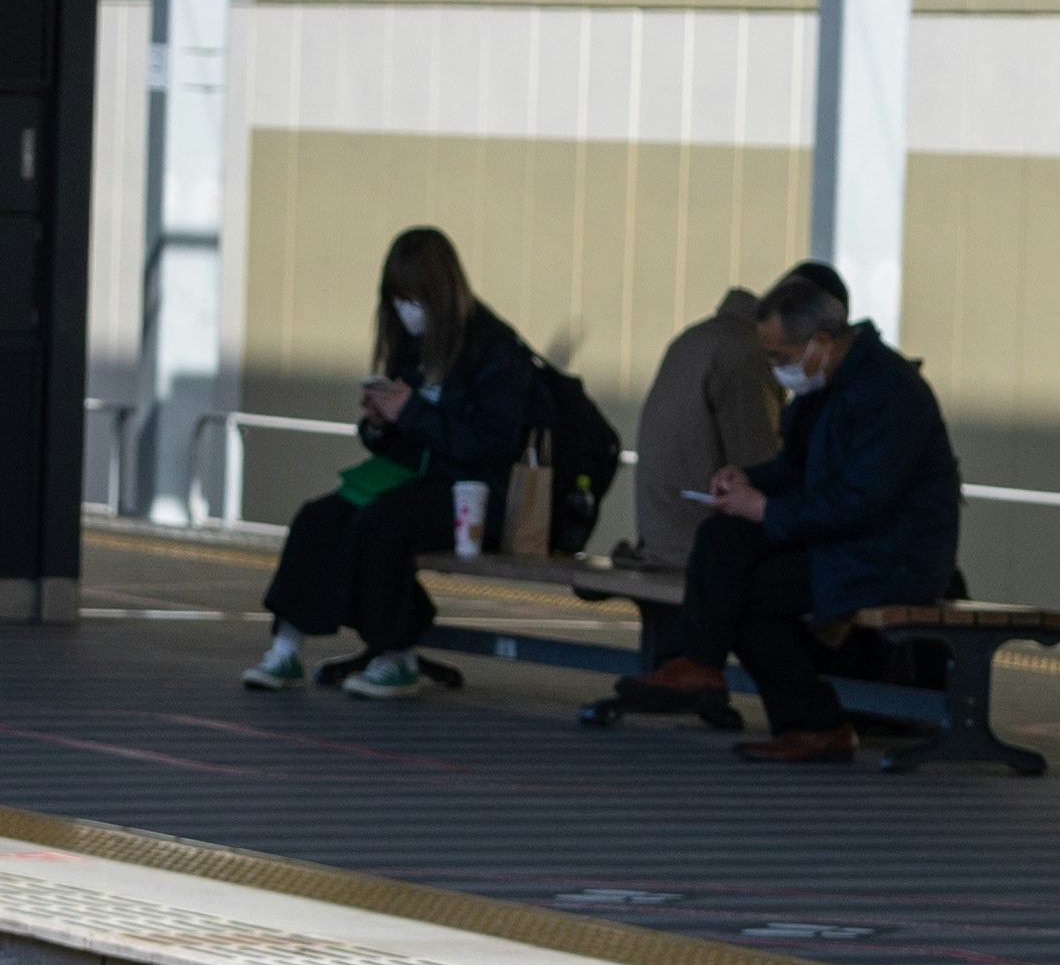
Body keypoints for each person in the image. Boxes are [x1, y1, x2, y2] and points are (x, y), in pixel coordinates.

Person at [245, 226, 552, 695]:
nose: (406, 309)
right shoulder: (414, 350)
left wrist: (412, 412)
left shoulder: (494, 351)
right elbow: (405, 440)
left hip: (472, 493)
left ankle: (397, 653)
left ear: (440, 293)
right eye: (397, 298)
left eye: (415, 297)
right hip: (412, 479)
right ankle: (286, 648)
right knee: (318, 519)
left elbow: (491, 443)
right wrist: (380, 425)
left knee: (382, 526)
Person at [683, 261, 962, 763]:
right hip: (843, 542)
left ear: (822, 342)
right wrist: (747, 482)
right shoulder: (822, 385)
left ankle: (814, 725)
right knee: (725, 537)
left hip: (889, 556)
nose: (775, 367)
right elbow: (795, 468)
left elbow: (863, 502)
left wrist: (767, 509)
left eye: (781, 355)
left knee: (748, 595)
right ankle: (695, 664)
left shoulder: (889, 392)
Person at [594, 284, 791, 727]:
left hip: (660, 533)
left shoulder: (693, 339)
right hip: (695, 542)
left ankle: (692, 666)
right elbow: (760, 463)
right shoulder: (747, 354)